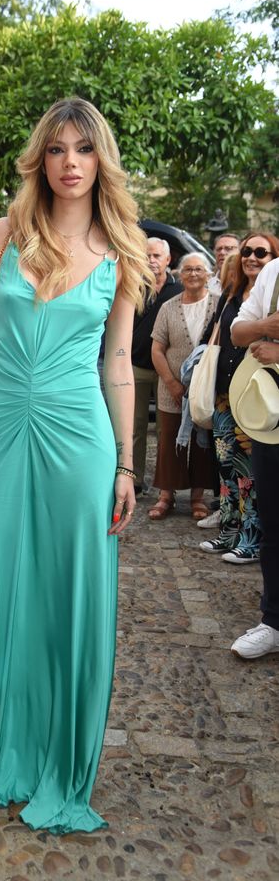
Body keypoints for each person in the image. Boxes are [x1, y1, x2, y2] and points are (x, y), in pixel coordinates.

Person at [0, 97, 151, 833]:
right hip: (4, 431)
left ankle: (57, 756)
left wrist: (123, 467)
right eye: (56, 149)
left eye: (83, 150)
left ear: (99, 160)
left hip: (79, 437)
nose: (69, 163)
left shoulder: (120, 246)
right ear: (40, 159)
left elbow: (117, 362)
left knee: (66, 594)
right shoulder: (6, 232)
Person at [199, 234, 279, 564]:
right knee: (226, 467)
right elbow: (225, 333)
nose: (252, 257)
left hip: (260, 393)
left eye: (261, 252)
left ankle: (251, 536)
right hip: (226, 390)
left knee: (251, 471)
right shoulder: (232, 294)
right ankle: (230, 530)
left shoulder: (268, 293)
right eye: (247, 251)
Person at [228, 255, 279, 659]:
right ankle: (274, 621)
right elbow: (237, 331)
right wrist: (266, 328)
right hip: (273, 420)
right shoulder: (274, 271)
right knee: (274, 522)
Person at [149, 253, 217, 520]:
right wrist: (171, 383)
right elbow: (157, 348)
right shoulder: (168, 307)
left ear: (208, 275)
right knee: (168, 441)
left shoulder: (218, 305)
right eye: (187, 269)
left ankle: (197, 497)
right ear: (179, 273)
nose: (192, 274)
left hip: (204, 389)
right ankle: (166, 495)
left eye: (199, 269)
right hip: (170, 388)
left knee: (201, 441)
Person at [131, 237, 182, 494]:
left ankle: (167, 487)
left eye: (156, 256)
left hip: (168, 370)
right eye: (147, 256)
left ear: (167, 259)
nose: (151, 261)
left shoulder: (179, 289)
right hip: (137, 365)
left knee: (166, 430)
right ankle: (135, 480)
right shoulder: (133, 287)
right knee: (135, 427)